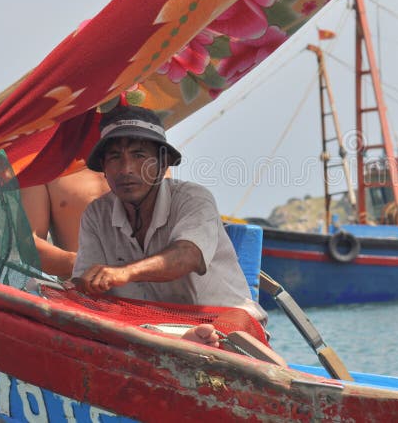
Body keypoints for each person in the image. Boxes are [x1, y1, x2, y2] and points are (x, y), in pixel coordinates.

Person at [72, 105, 267, 327]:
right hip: (150, 329)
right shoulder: (96, 214)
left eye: (139, 155)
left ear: (162, 163)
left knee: (208, 337)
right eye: (115, 157)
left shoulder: (193, 198)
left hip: (225, 323)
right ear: (104, 169)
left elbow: (187, 255)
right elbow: (83, 283)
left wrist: (124, 273)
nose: (126, 169)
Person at [21, 168, 110, 279]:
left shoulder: (134, 163)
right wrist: (80, 264)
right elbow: (28, 246)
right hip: (81, 292)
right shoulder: (40, 168)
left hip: (137, 288)